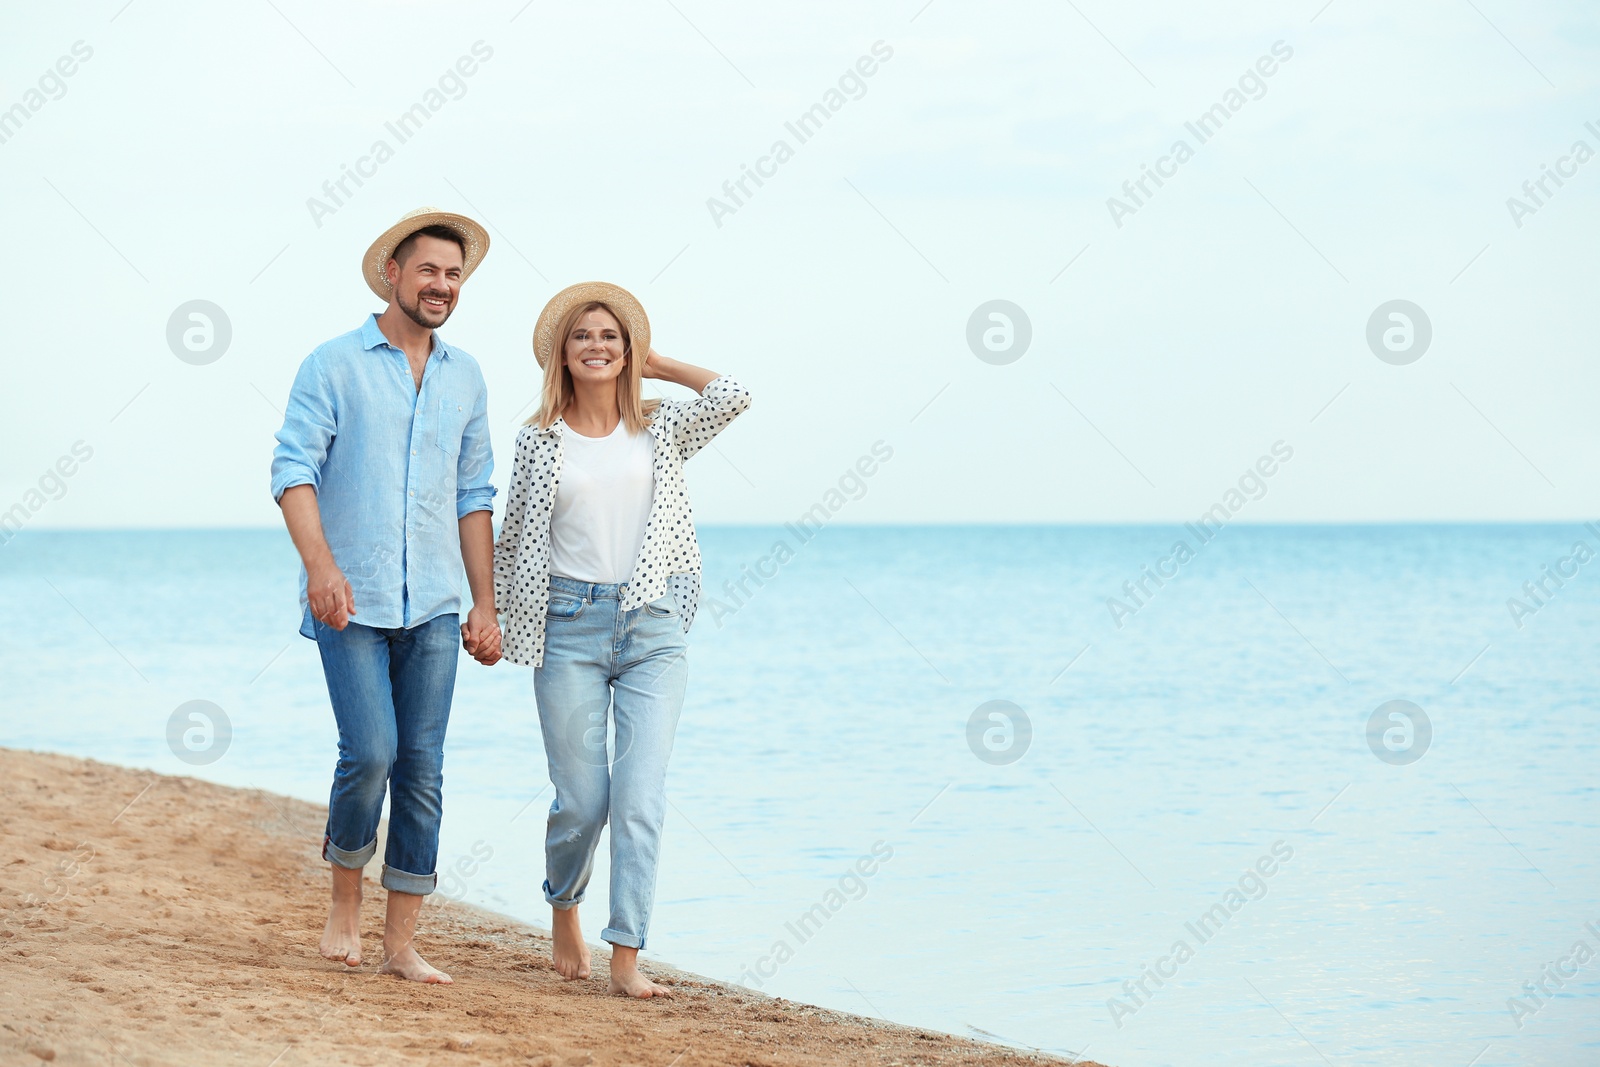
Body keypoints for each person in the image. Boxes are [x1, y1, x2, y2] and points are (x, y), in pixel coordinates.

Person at [494, 281, 751, 997]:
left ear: (626, 348)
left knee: (639, 795)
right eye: (584, 336)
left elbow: (732, 395)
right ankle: (563, 903)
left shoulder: (661, 426)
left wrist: (658, 359)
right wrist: (487, 613)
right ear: (563, 354)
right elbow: (514, 537)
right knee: (581, 798)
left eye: (611, 336)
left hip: (652, 628)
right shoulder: (539, 440)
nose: (598, 346)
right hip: (567, 626)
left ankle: (627, 953)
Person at [270, 207, 502, 984]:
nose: (442, 285)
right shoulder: (332, 363)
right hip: (350, 599)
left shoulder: (465, 375)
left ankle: (401, 942)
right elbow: (292, 471)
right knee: (369, 753)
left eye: (454, 275)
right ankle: (345, 896)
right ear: (393, 275)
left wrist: (485, 603)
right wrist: (319, 567)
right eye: (429, 270)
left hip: (435, 604)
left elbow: (475, 495)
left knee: (423, 768)